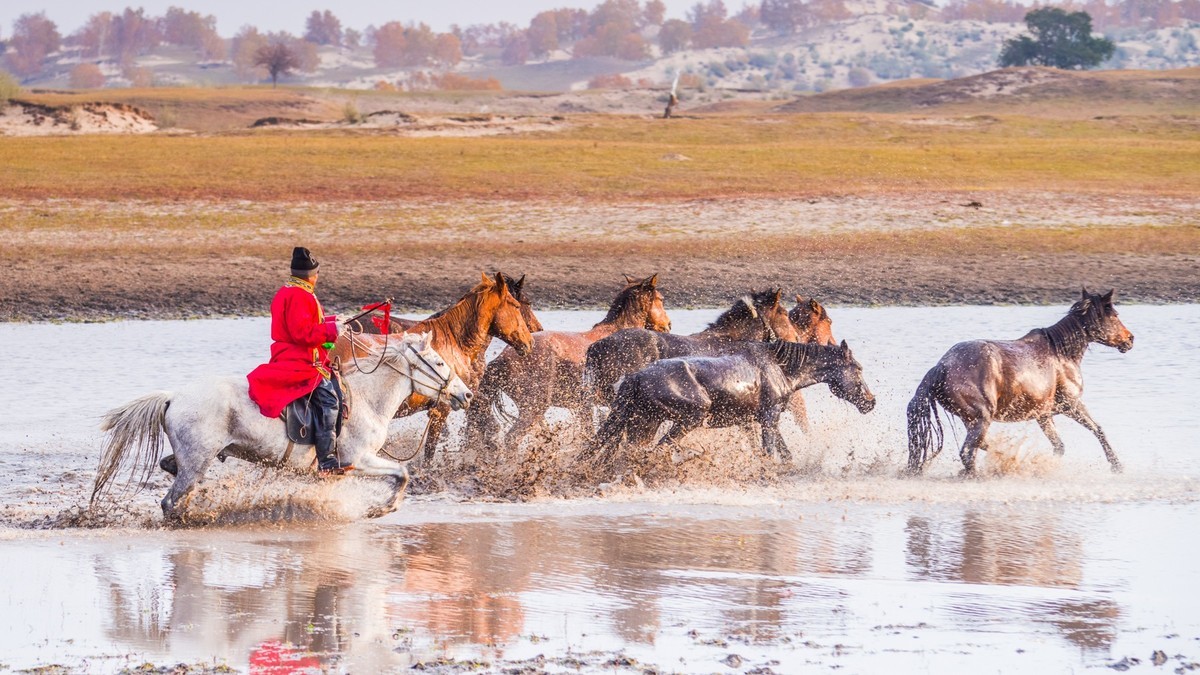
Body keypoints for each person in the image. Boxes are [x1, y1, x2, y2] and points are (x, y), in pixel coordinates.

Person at [247, 247, 350, 475]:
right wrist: (332, 329)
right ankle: (327, 461)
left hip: (292, 354)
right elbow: (301, 333)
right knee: (330, 401)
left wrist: (334, 321)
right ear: (312, 275)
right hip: (300, 360)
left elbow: (310, 323)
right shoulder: (301, 295)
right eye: (317, 273)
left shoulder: (290, 290)